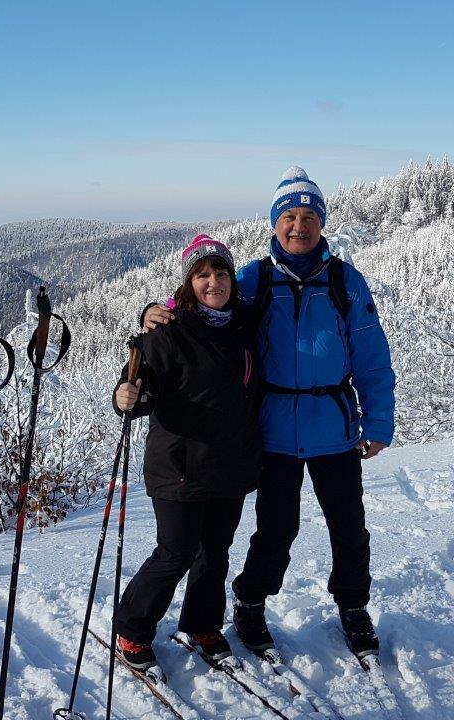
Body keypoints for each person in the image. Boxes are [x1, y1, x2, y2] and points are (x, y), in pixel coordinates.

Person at [142, 167, 395, 659]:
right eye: (289, 217)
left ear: (321, 223)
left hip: (335, 426)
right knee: (277, 528)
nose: (298, 226)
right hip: (273, 428)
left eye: (308, 217)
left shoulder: (346, 281)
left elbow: (372, 358)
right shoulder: (254, 278)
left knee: (348, 526)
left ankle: (352, 605)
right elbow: (201, 303)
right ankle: (251, 600)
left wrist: (378, 421)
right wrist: (156, 310)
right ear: (275, 223)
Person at [110, 234, 262, 673]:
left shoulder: (245, 326)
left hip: (230, 464)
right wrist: (128, 396)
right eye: (202, 275)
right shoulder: (167, 333)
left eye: (220, 273)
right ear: (187, 284)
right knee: (175, 552)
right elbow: (139, 387)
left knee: (214, 552)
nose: (213, 282)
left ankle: (202, 624)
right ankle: (132, 627)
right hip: (178, 466)